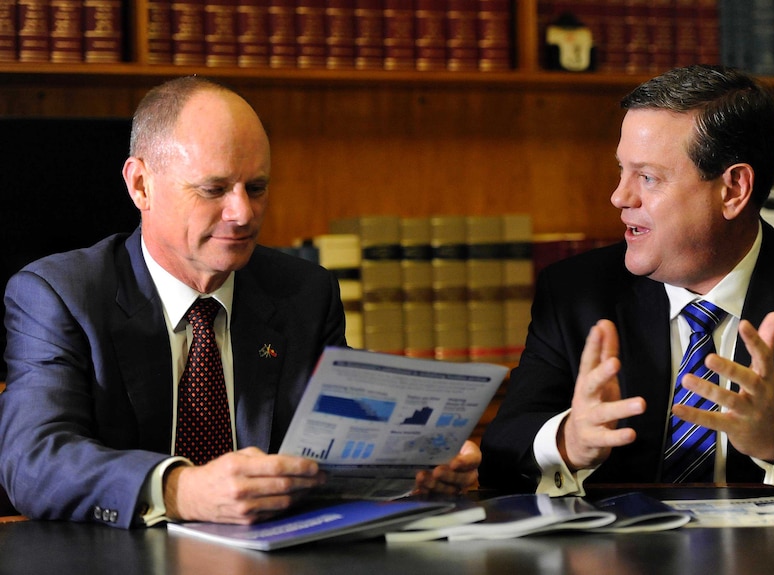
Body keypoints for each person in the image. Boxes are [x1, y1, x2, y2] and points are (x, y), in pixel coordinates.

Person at [0, 76, 479, 529]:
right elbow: (33, 461)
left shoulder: (303, 293)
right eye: (214, 189)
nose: (242, 213)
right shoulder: (60, 294)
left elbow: (343, 432)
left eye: (257, 187)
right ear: (141, 185)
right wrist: (181, 490)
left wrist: (415, 460)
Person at [479, 64, 774, 497]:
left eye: (647, 177)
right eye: (621, 171)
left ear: (734, 189)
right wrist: (569, 442)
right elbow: (501, 456)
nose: (619, 197)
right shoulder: (576, 293)